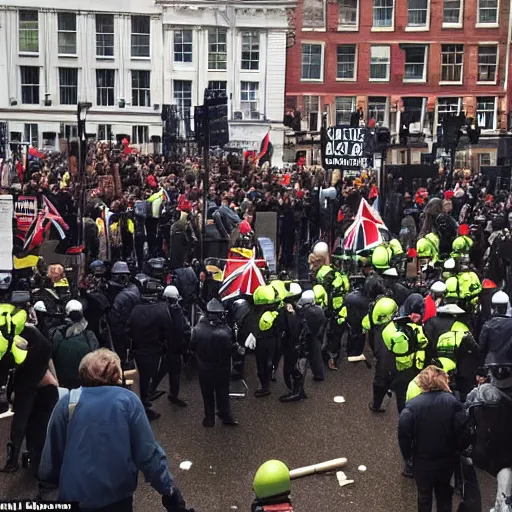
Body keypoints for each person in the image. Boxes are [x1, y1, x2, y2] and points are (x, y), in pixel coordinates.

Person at [39, 349, 193, 512]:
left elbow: (50, 458)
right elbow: (148, 454)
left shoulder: (67, 402)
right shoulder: (128, 401)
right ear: (116, 375)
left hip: (75, 497)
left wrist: (47, 491)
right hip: (116, 498)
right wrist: (168, 489)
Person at [0, 292, 59, 475]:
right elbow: (47, 350)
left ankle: (13, 459)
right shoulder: (31, 332)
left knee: (20, 422)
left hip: (23, 384)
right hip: (37, 382)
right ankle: (37, 457)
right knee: (39, 422)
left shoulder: (6, 336)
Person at [398, 365, 466, 512]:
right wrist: (457, 450)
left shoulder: (412, 406)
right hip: (446, 459)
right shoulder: (453, 403)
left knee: (424, 495)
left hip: (422, 460)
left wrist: (408, 456)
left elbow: (404, 434)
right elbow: (463, 431)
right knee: (444, 495)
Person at [130, 279, 174, 421]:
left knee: (143, 377)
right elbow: (168, 330)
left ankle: (145, 398)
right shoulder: (161, 310)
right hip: (153, 350)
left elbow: (129, 328)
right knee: (148, 378)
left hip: (139, 350)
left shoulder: (135, 309)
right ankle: (145, 405)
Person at [192, 299, 237, 427]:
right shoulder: (226, 331)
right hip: (222, 368)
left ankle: (209, 418)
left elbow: (192, 346)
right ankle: (225, 415)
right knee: (222, 392)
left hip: (204, 367)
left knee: (207, 394)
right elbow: (231, 349)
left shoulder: (197, 329)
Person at [51, 299, 99, 390]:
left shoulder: (58, 334)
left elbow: (52, 357)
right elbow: (96, 356)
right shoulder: (89, 336)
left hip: (63, 386)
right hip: (85, 385)